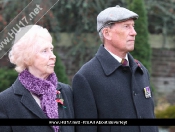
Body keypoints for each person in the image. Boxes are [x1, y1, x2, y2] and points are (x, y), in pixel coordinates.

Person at [72, 5, 158, 132]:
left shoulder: (140, 70)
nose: (134, 32)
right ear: (107, 33)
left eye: (133, 26)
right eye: (126, 26)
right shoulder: (86, 77)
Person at [0, 25, 74, 132]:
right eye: (45, 51)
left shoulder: (66, 92)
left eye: (51, 49)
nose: (53, 56)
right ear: (26, 57)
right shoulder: (5, 102)